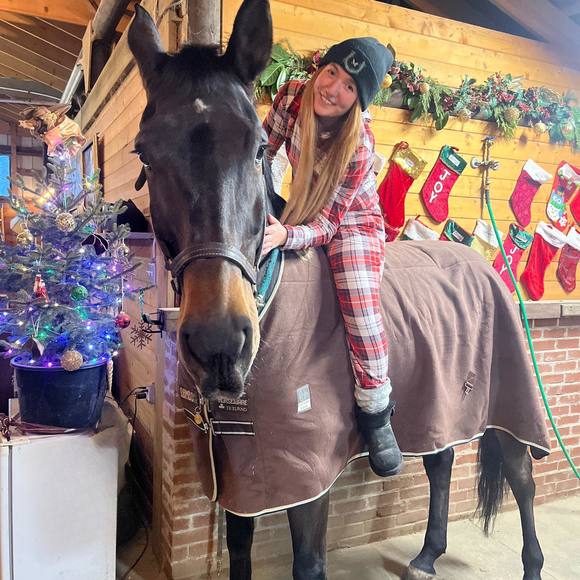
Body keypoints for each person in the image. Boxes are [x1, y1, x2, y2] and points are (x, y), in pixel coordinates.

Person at [261, 38, 403, 477]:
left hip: (351, 222)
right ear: (320, 70)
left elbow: (328, 225)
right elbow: (260, 152)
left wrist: (285, 235)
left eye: (349, 87)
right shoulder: (292, 95)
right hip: (301, 206)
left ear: (359, 101)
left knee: (360, 306)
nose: (333, 89)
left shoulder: (359, 144)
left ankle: (375, 410)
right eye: (332, 73)